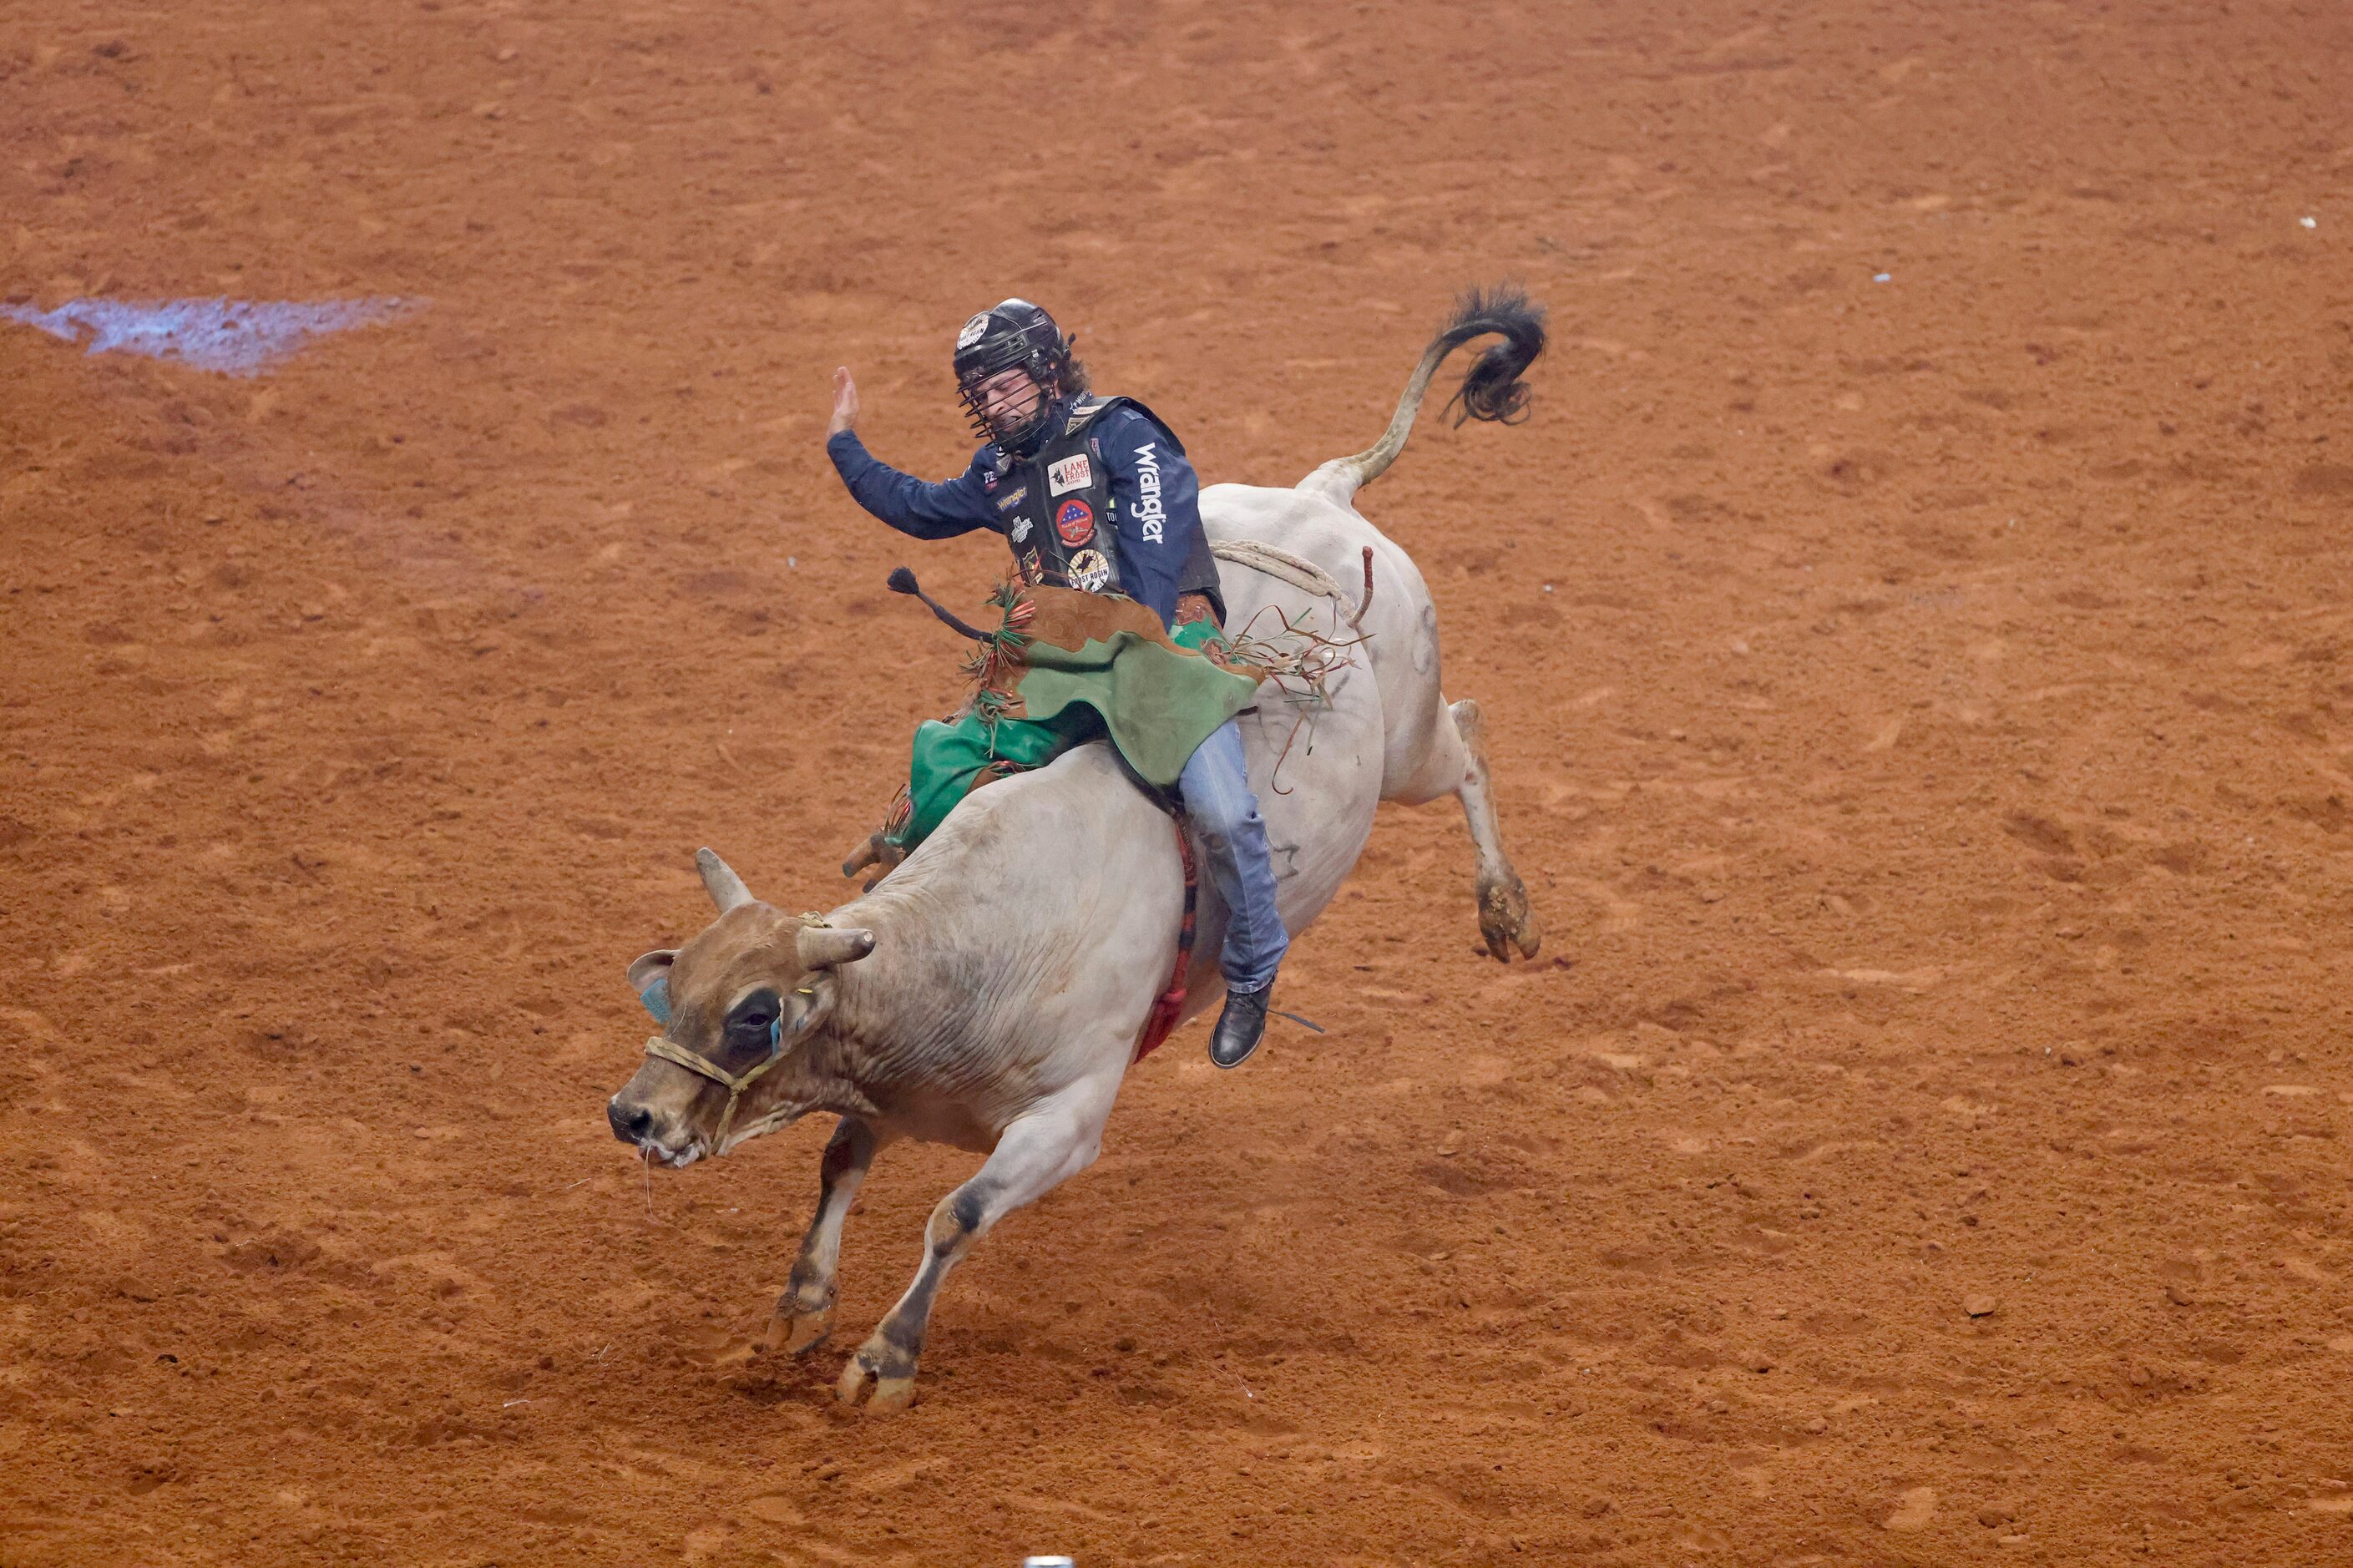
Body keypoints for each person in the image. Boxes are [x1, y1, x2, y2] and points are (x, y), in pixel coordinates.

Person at [824, 299, 1286, 1067]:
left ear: (1046, 371)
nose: (994, 406)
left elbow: (1156, 534)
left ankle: (1254, 967)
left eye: (1006, 385)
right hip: (1064, 659)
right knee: (947, 759)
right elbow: (916, 506)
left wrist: (1127, 634)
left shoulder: (1120, 430)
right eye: (982, 396)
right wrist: (845, 445)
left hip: (1160, 645)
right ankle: (907, 893)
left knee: (1223, 810)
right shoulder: (995, 473)